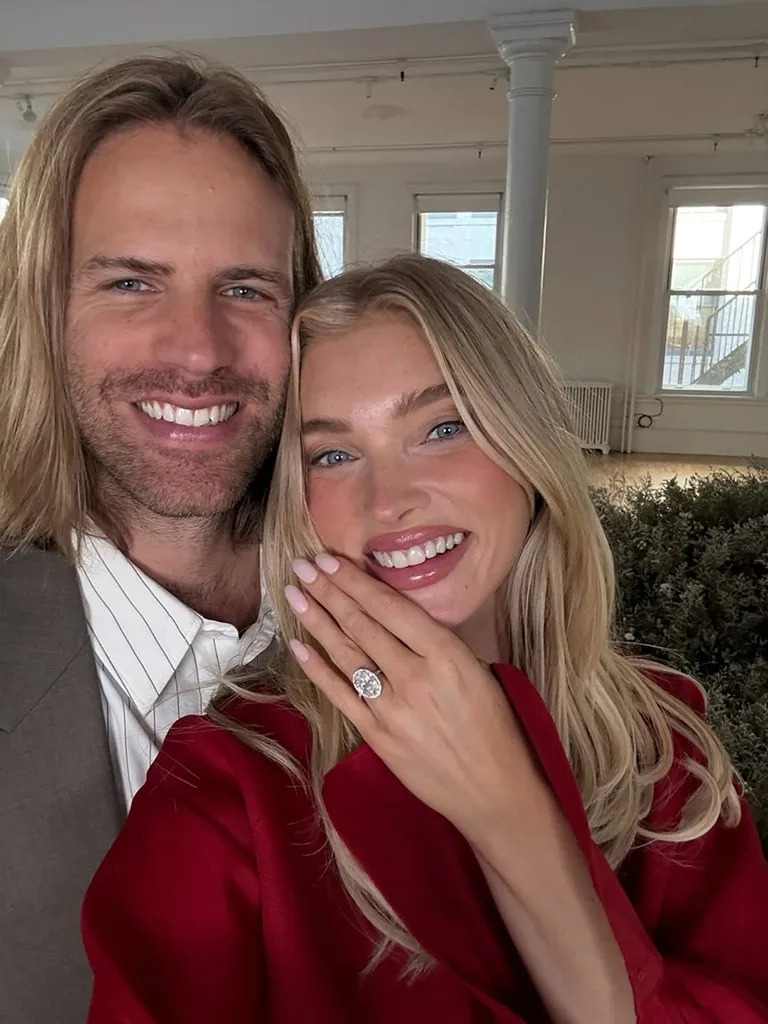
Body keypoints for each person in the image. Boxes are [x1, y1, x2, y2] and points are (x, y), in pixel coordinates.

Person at [82, 253, 768, 1022]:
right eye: (333, 455)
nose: (389, 501)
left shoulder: (663, 745)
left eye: (443, 428)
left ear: (527, 446)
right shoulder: (226, 783)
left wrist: (510, 814)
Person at [0, 54, 320, 1022]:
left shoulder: (404, 606)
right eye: (133, 281)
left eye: (247, 289)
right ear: (43, 308)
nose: (198, 351)